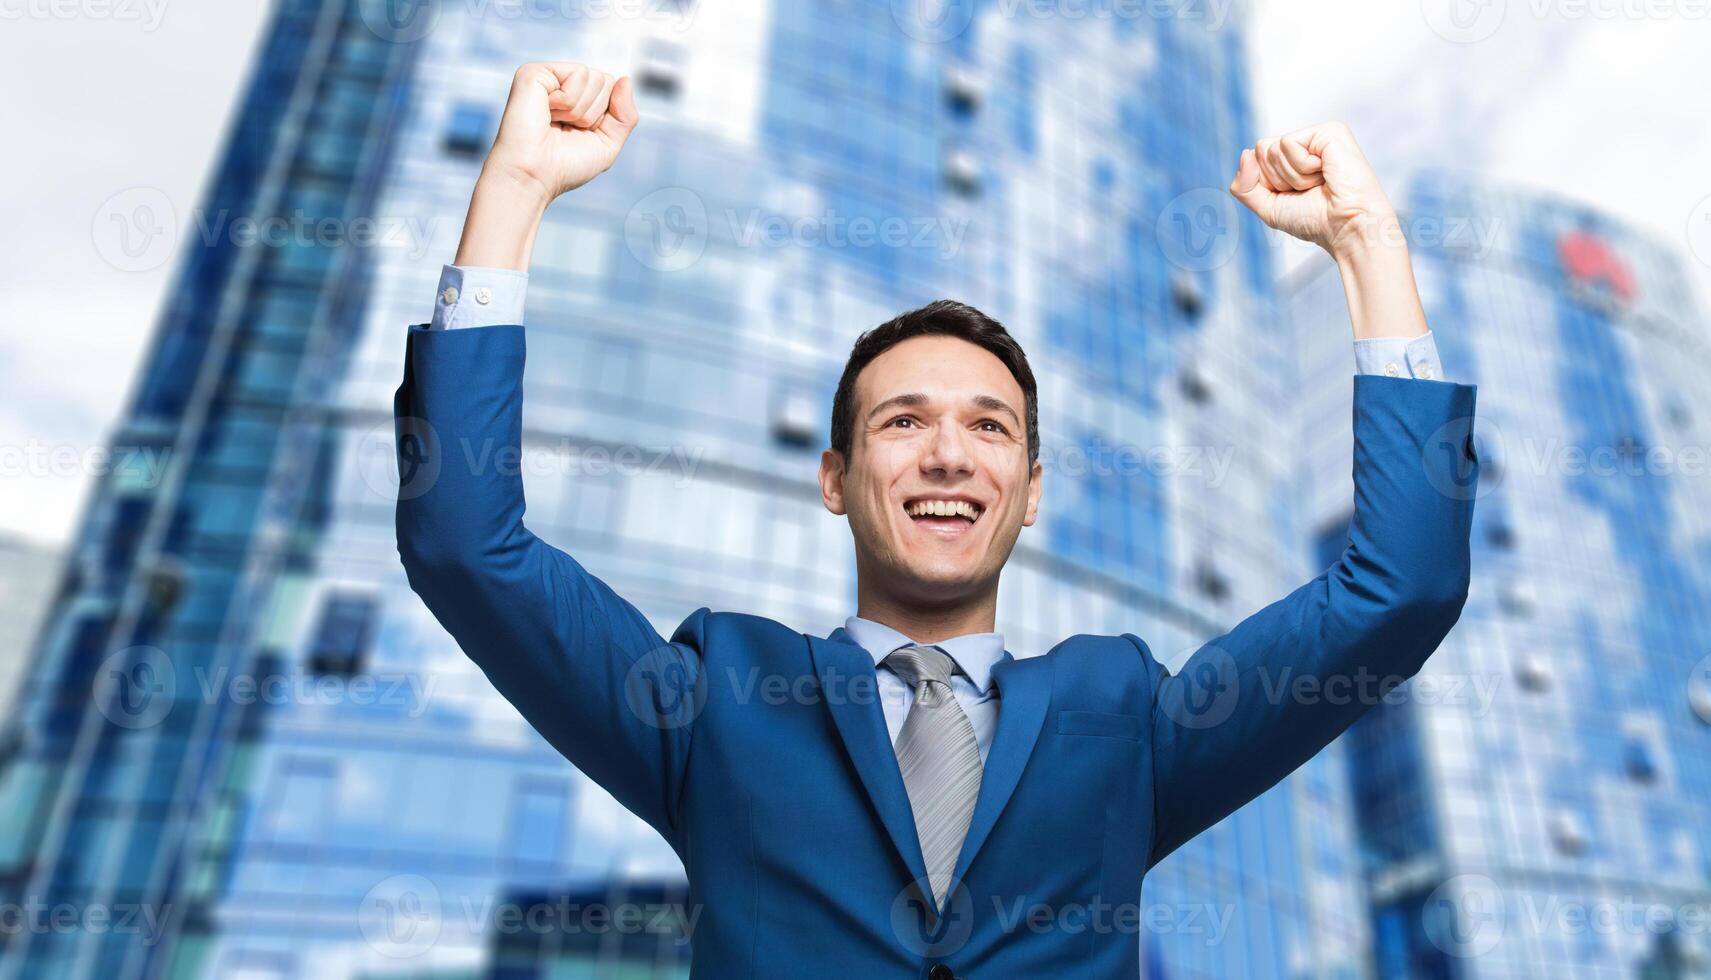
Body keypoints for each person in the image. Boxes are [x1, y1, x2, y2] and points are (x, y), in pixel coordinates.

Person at [394, 62, 1477, 977]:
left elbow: (1401, 586)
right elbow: (464, 542)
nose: (950, 452)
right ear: (833, 476)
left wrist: (1366, 243)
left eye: (990, 427)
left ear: (1032, 488)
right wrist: (516, 190)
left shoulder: (1124, 719)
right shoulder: (716, 697)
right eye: (905, 420)